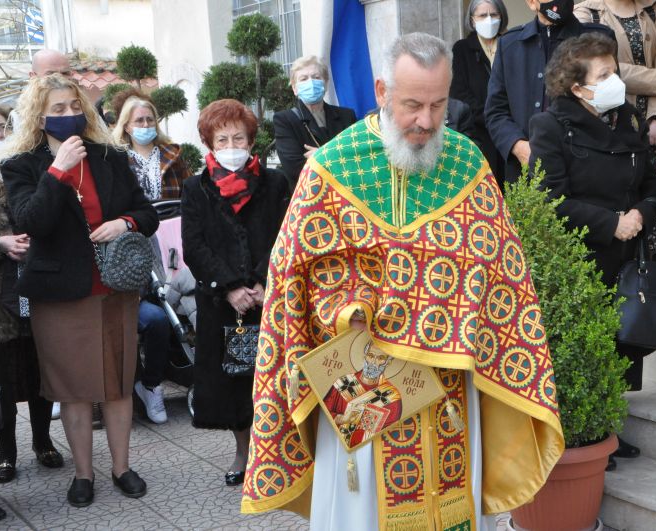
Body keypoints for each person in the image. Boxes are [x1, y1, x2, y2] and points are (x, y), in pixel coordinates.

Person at [241, 33, 564, 531]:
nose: (426, 121)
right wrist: (345, 307)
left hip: (450, 379)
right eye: (412, 104)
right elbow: (295, 274)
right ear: (381, 91)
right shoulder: (331, 168)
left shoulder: (467, 165)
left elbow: (502, 268)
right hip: (362, 375)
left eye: (438, 105)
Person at [0, 74, 158, 507]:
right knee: (74, 388)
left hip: (114, 287)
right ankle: (83, 475)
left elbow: (146, 213)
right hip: (60, 294)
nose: (68, 114)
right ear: (39, 115)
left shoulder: (109, 155)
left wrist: (124, 223)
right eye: (57, 109)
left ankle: (122, 468)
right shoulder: (21, 165)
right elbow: (32, 221)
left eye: (74, 106)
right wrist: (58, 170)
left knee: (119, 382)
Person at [527, 32, 656, 470]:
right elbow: (550, 199)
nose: (614, 82)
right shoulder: (550, 126)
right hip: (581, 258)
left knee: (620, 347)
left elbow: (652, 183)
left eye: (614, 72)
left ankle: (608, 429)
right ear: (577, 86)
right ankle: (582, 440)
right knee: (586, 352)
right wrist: (611, 224)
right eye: (604, 75)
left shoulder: (626, 120)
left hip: (626, 258)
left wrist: (641, 214)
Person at [181, 99, 290, 487]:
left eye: (238, 138)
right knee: (233, 385)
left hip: (270, 298)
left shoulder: (275, 182)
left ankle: (279, 452)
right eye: (222, 139)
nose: (231, 147)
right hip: (223, 303)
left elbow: (284, 234)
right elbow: (194, 246)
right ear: (210, 143)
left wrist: (263, 281)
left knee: (275, 379)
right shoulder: (196, 187)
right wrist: (230, 287)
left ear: (251, 140)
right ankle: (243, 452)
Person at [574, 0, 656, 259]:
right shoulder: (586, 11)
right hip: (613, 124)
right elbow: (596, 71)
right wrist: (655, 79)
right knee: (624, 213)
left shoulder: (653, 8)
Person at [112, 94, 191, 424]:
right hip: (134, 244)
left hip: (174, 240)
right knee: (156, 314)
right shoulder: (116, 161)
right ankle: (149, 383)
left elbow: (190, 198)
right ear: (126, 126)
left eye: (149, 120)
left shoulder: (174, 156)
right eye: (138, 121)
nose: (145, 126)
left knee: (185, 302)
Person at [0, 105, 63, 485]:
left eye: (2, 127)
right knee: (2, 378)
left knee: (41, 369)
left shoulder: (29, 168)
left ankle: (43, 440)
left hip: (37, 288)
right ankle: (6, 451)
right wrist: (0, 243)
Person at [485, 0, 613, 184]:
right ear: (532, 3)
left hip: (583, 171)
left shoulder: (597, 39)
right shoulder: (509, 44)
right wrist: (519, 146)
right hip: (525, 175)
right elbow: (495, 111)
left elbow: (610, 105)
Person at [273, 55, 356, 190]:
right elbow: (294, 168)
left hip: (346, 195)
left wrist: (321, 155)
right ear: (295, 88)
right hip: (310, 199)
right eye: (303, 79)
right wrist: (338, 157)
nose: (311, 82)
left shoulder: (347, 116)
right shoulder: (284, 120)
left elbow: (356, 160)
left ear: (326, 83)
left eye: (316, 77)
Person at [451, 0, 509, 188]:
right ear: (472, 20)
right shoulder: (462, 49)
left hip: (511, 132)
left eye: (494, 14)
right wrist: (491, 119)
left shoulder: (512, 44)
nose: (489, 20)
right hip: (480, 134)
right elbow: (459, 92)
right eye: (483, 15)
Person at [323, 341, 403, 448]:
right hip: (334, 445)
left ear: (388, 362)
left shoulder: (392, 397)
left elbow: (389, 436)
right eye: (370, 356)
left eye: (380, 358)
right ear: (365, 356)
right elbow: (323, 415)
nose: (373, 362)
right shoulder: (344, 383)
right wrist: (341, 419)